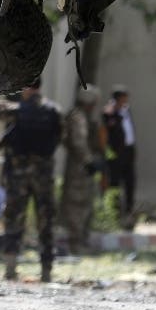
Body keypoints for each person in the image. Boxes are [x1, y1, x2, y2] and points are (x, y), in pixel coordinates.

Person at [0, 78, 63, 281]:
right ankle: (46, 271)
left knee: (13, 219)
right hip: (44, 176)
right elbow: (58, 138)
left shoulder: (17, 110)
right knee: (46, 221)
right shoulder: (54, 111)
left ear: (26, 89)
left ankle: (10, 269)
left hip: (18, 176)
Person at [60, 84, 105, 254]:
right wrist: (89, 162)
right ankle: (76, 243)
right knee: (76, 205)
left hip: (82, 166)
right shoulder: (78, 117)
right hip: (79, 168)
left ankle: (81, 241)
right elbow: (79, 143)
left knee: (84, 204)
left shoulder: (83, 116)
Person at [102, 85, 137, 226]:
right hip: (116, 154)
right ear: (117, 99)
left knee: (130, 183)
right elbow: (107, 133)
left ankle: (129, 213)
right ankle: (115, 215)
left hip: (128, 152)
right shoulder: (109, 113)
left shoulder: (126, 111)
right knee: (114, 183)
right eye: (123, 99)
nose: (125, 101)